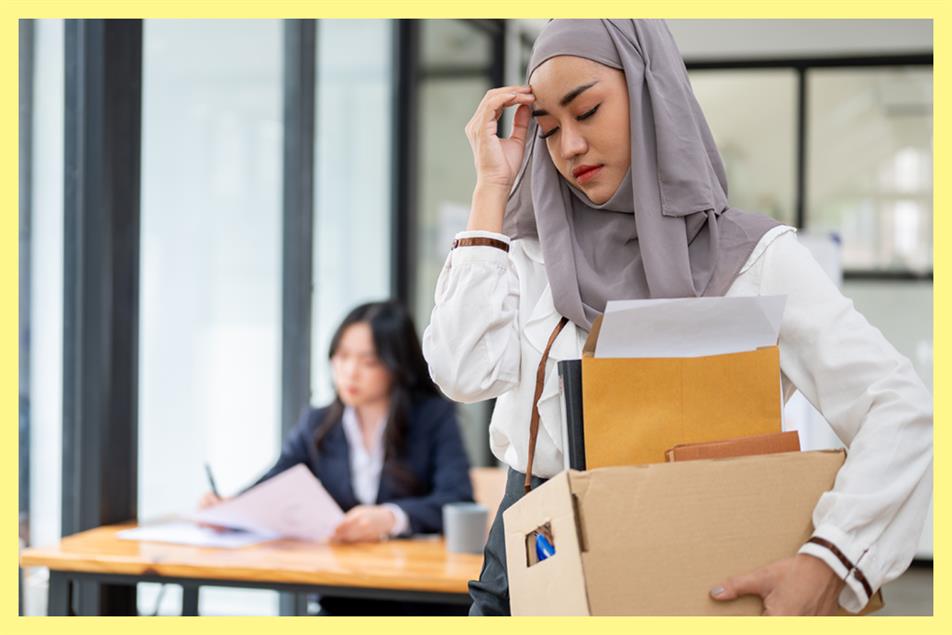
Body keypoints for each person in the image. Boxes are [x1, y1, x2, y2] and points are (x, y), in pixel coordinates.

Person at [422, 19, 932, 616]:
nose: (570, 147)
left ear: (650, 94)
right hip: (533, 548)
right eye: (549, 129)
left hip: (691, 549)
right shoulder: (530, 256)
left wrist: (831, 559)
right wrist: (491, 187)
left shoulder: (752, 259)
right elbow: (461, 374)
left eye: (587, 112)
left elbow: (899, 407)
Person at [200, 300, 474, 615]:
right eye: (342, 357)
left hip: (417, 597)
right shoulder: (318, 424)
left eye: (368, 361)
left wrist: (391, 518)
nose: (350, 372)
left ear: (397, 365)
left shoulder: (433, 417)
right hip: (343, 593)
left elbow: (457, 499)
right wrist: (229, 508)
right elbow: (276, 481)